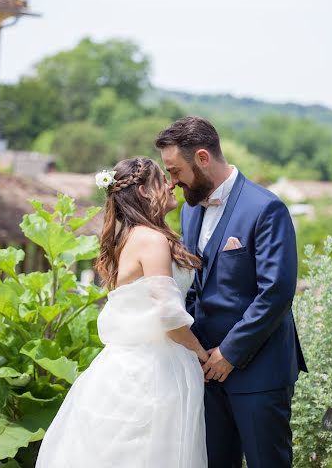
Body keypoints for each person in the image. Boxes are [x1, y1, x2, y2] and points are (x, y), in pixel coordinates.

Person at [36, 157, 208, 468]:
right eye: (161, 180)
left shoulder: (126, 237)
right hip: (154, 370)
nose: (170, 184)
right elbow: (168, 314)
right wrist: (201, 352)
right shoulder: (152, 240)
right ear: (143, 191)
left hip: (124, 365)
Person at [156, 117, 308, 468]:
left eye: (176, 170)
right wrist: (194, 350)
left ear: (204, 158)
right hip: (206, 372)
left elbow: (276, 292)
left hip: (259, 372)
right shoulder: (191, 211)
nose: (173, 183)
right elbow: (194, 285)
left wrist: (230, 353)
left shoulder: (266, 208)